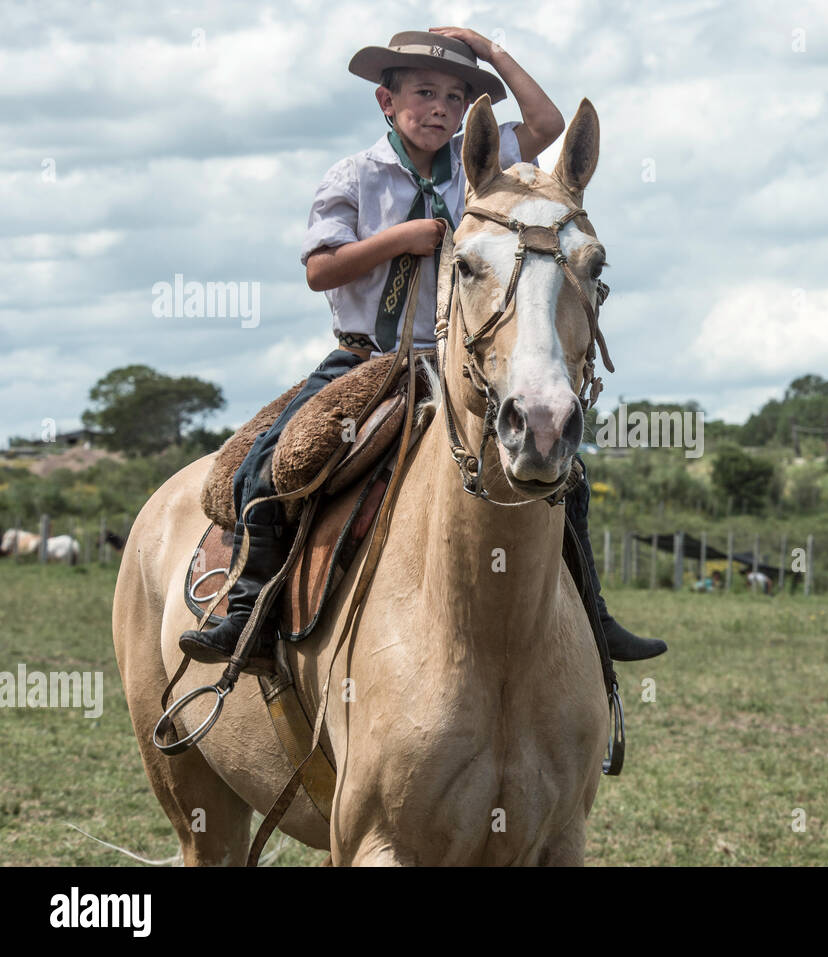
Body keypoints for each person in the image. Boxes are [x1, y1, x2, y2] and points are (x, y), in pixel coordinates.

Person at [180, 29, 665, 673]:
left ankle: (592, 615)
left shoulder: (480, 167)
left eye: (456, 98)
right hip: (367, 360)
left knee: (563, 476)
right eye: (425, 93)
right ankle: (245, 610)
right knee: (271, 464)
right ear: (387, 100)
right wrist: (400, 238)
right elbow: (321, 270)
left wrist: (490, 53)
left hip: (456, 364)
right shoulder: (353, 175)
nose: (440, 108)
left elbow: (547, 122)